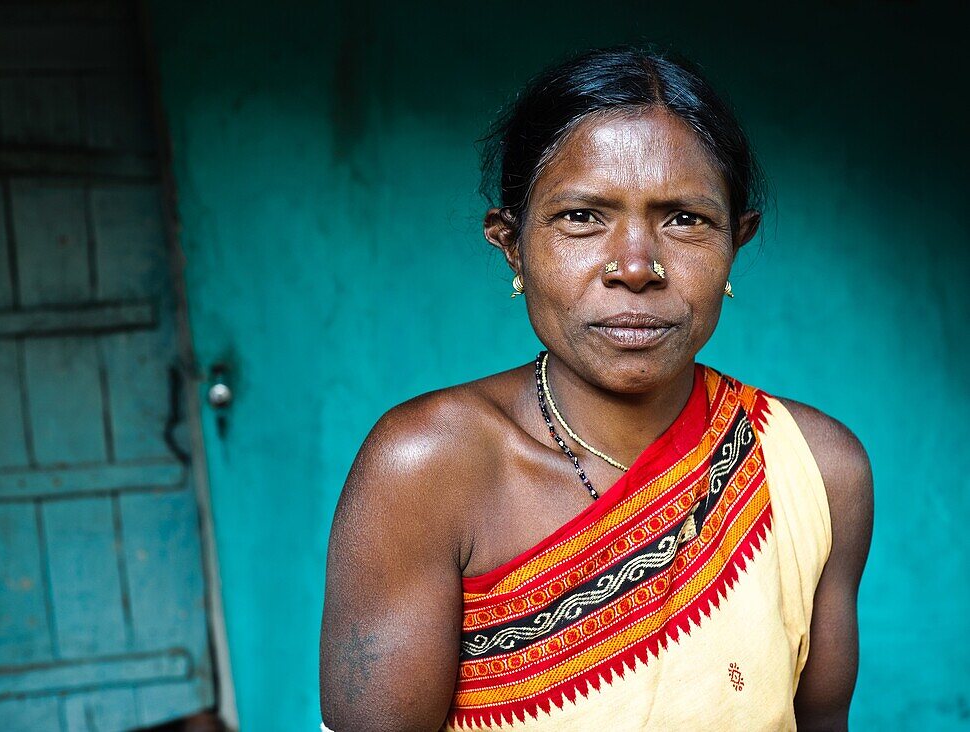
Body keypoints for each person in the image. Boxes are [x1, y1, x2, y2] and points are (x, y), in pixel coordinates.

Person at [319, 46, 873, 732]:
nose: (636, 267)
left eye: (685, 219)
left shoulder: (814, 471)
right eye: (582, 217)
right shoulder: (427, 470)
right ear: (511, 244)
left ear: (738, 240)